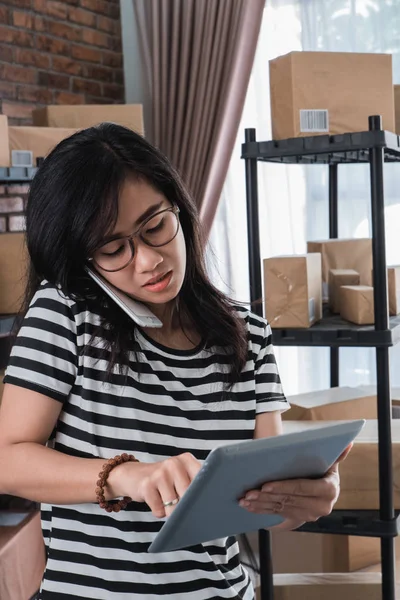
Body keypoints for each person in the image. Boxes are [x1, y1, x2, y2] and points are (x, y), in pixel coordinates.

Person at [0, 123, 347, 600]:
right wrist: (126, 475)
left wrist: (308, 498)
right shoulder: (65, 312)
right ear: (84, 258)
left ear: (178, 209)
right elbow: (7, 459)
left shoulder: (248, 336)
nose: (147, 260)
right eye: (113, 248)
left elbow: (265, 505)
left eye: (155, 227)